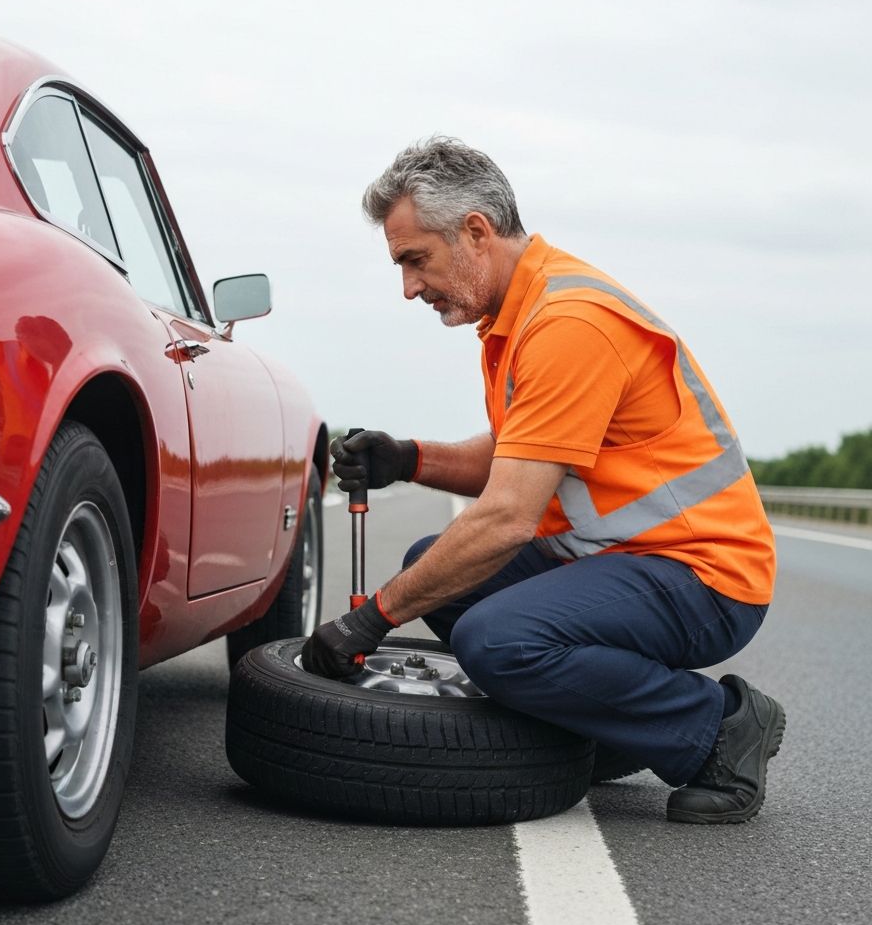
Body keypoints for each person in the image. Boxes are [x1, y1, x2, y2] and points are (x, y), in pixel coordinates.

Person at [301, 136, 785, 825]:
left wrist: (371, 618)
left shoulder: (568, 323)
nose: (409, 286)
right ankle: (611, 723)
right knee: (433, 570)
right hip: (619, 561)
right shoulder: (520, 313)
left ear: (475, 232)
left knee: (497, 638)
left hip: (702, 574)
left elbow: (507, 518)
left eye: (416, 260)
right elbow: (522, 456)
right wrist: (409, 459)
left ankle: (718, 729)